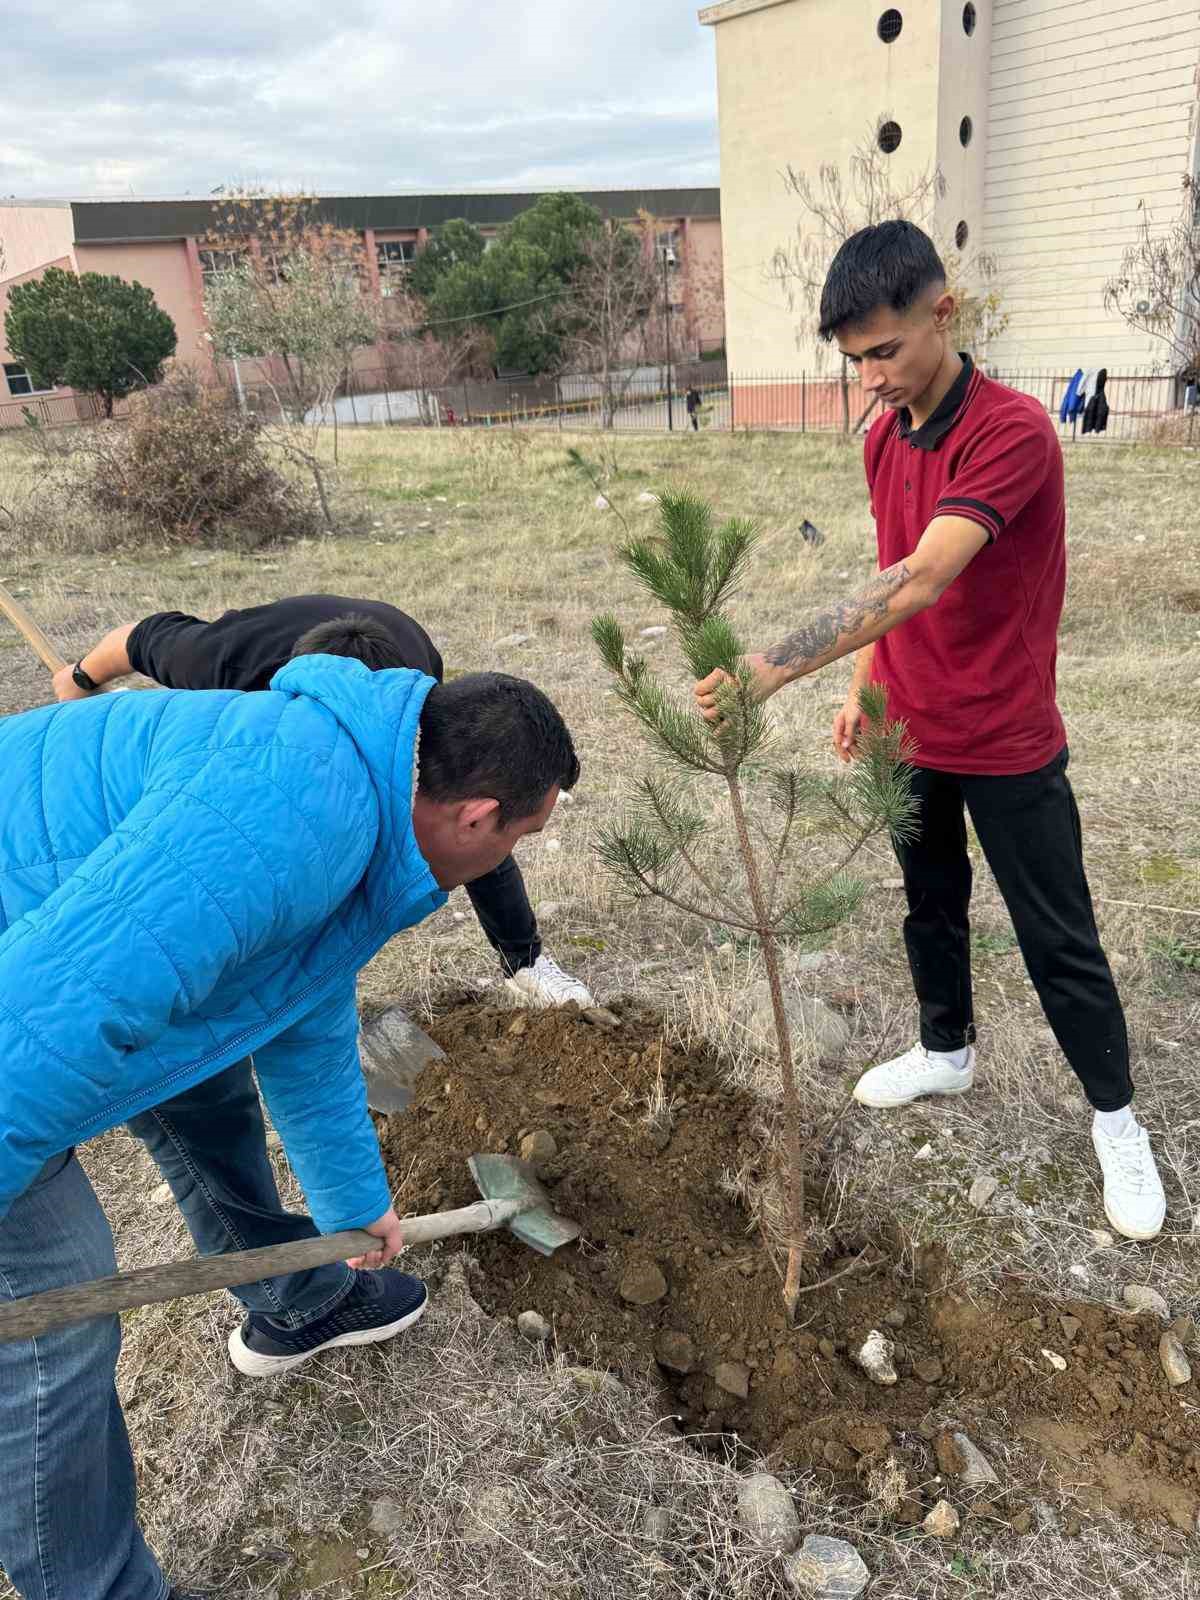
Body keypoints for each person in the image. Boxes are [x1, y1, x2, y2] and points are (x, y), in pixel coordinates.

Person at [0, 652, 579, 1600]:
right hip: (16, 1000)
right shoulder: (287, 817)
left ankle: (302, 1303)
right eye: (524, 835)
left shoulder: (350, 794)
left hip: (44, 956)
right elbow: (32, 1028)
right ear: (478, 819)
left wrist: (357, 1209)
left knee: (204, 1085)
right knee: (55, 1302)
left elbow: (300, 1015)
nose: (510, 859)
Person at [695, 219, 1165, 1244]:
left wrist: (772, 667)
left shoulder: (1012, 433)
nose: (870, 378)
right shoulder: (880, 437)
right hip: (913, 730)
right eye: (853, 358)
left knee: (1059, 935)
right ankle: (944, 1048)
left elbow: (929, 572)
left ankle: (1116, 1120)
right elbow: (891, 570)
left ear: (940, 315)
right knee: (929, 904)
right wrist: (866, 688)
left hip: (1006, 736)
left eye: (884, 351)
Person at [53, 594, 594, 1011]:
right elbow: (140, 639)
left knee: (470, 816)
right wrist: (78, 678)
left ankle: (525, 961)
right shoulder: (224, 667)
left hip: (388, 645)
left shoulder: (415, 699)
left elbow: (473, 825)